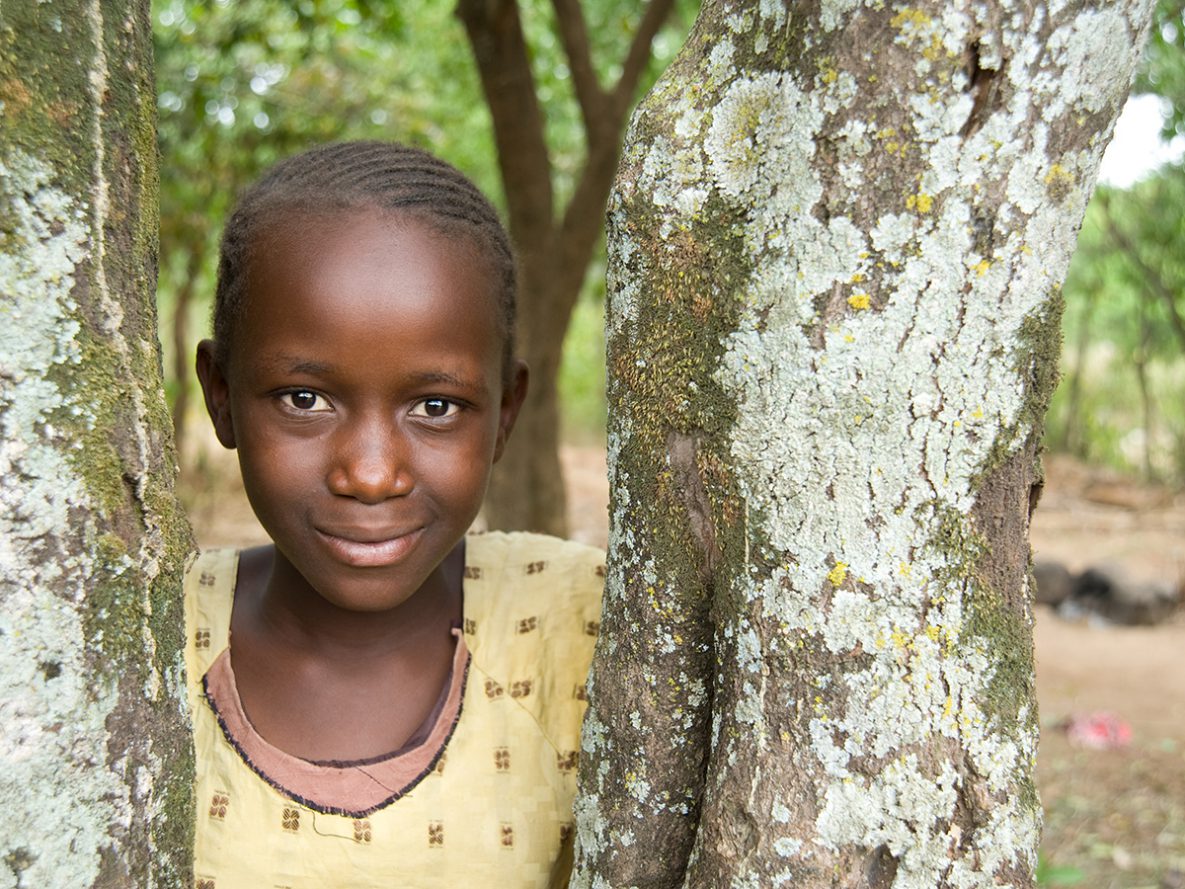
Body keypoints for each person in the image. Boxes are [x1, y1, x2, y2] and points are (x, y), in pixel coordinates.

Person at [187, 141, 605, 888]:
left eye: (436, 406)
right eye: (303, 399)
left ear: (504, 412)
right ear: (221, 394)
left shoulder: (575, 625)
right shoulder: (154, 635)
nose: (372, 475)